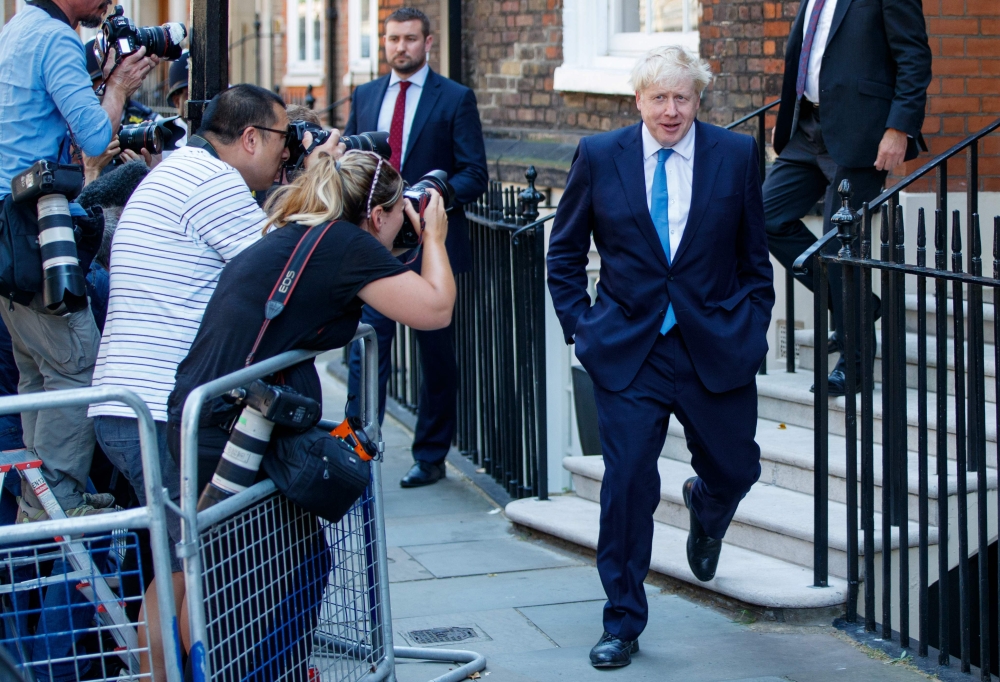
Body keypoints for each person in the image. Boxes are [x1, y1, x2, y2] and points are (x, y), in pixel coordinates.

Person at [86, 83, 342, 678]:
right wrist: (320, 180)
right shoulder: (215, 183)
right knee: (183, 572)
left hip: (132, 403)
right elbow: (281, 271)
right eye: (282, 138)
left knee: (175, 563)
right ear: (250, 137)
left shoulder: (180, 170)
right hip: (157, 409)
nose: (288, 151)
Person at [164, 150, 453, 675]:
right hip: (233, 435)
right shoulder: (345, 243)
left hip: (202, 420)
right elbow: (434, 308)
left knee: (187, 577)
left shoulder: (301, 233)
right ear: (377, 215)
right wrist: (433, 235)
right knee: (239, 581)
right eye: (396, 216)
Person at [547, 46, 774, 668]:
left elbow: (756, 258)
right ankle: (622, 619)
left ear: (699, 100)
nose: (671, 111)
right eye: (659, 98)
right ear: (638, 100)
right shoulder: (600, 157)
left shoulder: (735, 156)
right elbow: (564, 257)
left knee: (736, 468)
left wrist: (752, 324)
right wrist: (582, 329)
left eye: (683, 98)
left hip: (714, 347)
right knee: (626, 486)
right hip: (628, 350)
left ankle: (708, 506)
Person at [0, 0, 156, 517]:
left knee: (38, 373)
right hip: (37, 232)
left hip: (12, 236)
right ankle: (57, 497)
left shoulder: (17, 29)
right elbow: (94, 139)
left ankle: (39, 495)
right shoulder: (55, 37)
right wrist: (117, 89)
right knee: (80, 366)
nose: (111, 3)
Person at [343, 6, 488, 489]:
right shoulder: (364, 96)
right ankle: (358, 451)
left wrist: (431, 196)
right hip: (372, 248)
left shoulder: (455, 98)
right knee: (367, 352)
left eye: (409, 38)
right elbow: (346, 167)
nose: (400, 47)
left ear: (428, 43)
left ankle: (430, 456)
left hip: (431, 247)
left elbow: (474, 173)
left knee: (436, 355)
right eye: (392, 39)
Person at [764, 0, 931, 394]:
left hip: (862, 131)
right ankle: (854, 306)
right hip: (807, 129)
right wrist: (785, 118)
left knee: (843, 245)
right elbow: (807, 57)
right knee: (766, 217)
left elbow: (914, 56)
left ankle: (855, 367)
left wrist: (899, 127)